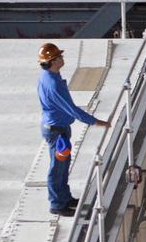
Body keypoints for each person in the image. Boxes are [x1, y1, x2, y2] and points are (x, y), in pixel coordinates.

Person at [36, 43, 108, 217]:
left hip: (58, 128)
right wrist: (96, 121)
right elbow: (72, 109)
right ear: (52, 61)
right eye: (59, 57)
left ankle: (65, 198)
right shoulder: (53, 84)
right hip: (56, 131)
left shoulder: (48, 76)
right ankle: (57, 204)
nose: (62, 59)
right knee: (57, 167)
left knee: (63, 165)